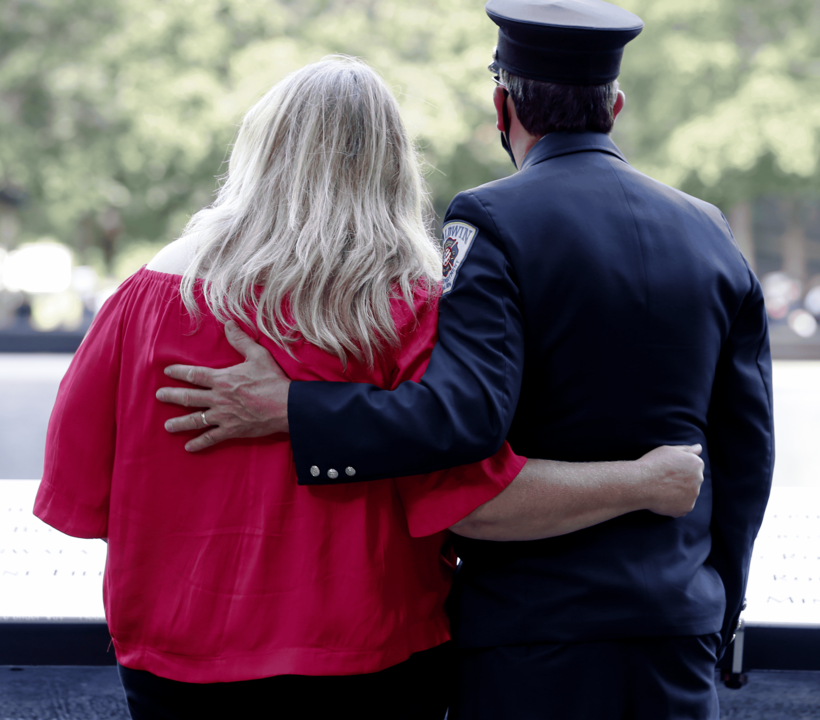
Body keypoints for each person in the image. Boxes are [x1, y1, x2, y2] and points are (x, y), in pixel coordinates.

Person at [35, 55, 705, 720]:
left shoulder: (145, 301)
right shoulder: (410, 310)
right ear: (392, 164)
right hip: (371, 662)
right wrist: (645, 481)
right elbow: (479, 504)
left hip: (174, 659)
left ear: (258, 149)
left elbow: (82, 496)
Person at [157, 3, 774, 717]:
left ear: (502, 105)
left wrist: (293, 408)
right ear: (616, 106)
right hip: (677, 628)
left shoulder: (491, 219)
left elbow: (462, 416)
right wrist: (717, 607)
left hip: (530, 638)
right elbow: (746, 451)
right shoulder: (709, 230)